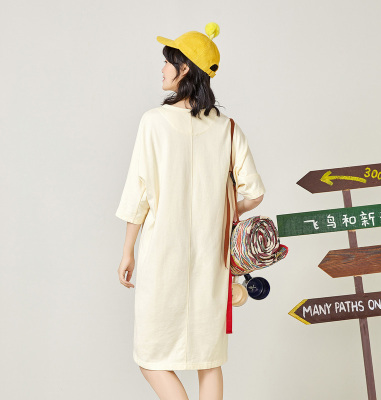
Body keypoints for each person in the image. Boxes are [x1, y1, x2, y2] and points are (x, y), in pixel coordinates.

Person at [115, 23, 266, 400]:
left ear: (184, 69)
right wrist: (222, 209)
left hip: (162, 255)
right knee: (208, 359)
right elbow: (255, 194)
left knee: (150, 356)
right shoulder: (228, 129)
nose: (162, 68)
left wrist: (127, 250)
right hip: (210, 259)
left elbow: (139, 193)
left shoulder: (153, 122)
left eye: (168, 62)